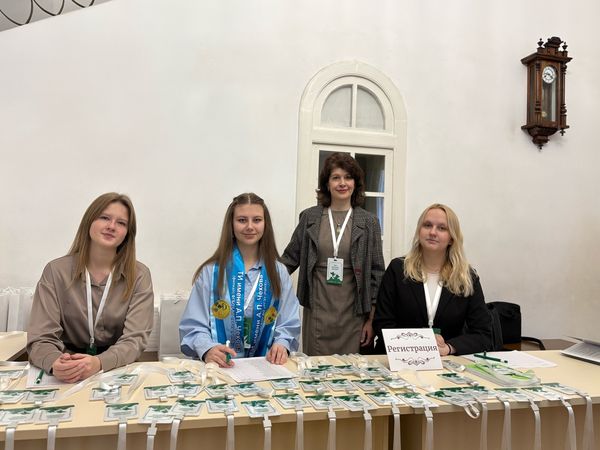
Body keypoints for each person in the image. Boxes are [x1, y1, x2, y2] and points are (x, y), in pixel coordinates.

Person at [27, 193, 154, 383]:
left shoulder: (139, 275)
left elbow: (134, 340)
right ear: (89, 222)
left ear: (128, 233)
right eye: (104, 218)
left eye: (121, 223)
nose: (111, 226)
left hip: (117, 368)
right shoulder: (55, 271)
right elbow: (40, 337)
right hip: (66, 366)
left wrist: (99, 363)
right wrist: (55, 363)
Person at [179, 193, 300, 367]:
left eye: (257, 220)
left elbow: (288, 323)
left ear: (265, 224)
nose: (250, 226)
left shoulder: (278, 272)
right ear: (231, 224)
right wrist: (207, 349)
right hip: (220, 367)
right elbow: (193, 326)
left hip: (266, 366)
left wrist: (282, 344)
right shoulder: (211, 272)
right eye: (242, 220)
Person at [281, 153, 385, 356]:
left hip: (354, 314)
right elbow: (290, 258)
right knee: (316, 369)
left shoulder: (369, 222)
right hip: (318, 312)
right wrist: (261, 277)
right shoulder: (310, 217)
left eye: (348, 177)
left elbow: (377, 273)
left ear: (355, 183)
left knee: (352, 370)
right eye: (336, 177)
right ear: (327, 184)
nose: (342, 183)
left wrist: (371, 320)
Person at [373, 203, 492, 355]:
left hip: (445, 362)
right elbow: (382, 323)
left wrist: (448, 348)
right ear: (419, 231)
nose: (433, 232)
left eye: (442, 228)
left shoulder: (466, 277)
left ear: (451, 238)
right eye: (427, 225)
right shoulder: (398, 269)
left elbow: (483, 335)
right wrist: (419, 345)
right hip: (398, 359)